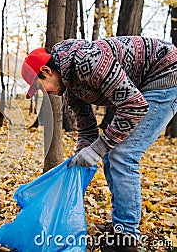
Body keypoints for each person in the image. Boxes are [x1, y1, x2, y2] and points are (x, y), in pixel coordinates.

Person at [21, 36, 177, 252]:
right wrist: (78, 163)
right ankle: (121, 225)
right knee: (110, 152)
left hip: (166, 74)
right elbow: (87, 132)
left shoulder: (88, 61)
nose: (45, 92)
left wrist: (96, 150)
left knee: (122, 155)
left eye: (41, 87)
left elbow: (134, 105)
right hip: (144, 85)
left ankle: (127, 237)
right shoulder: (70, 90)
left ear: (47, 71)